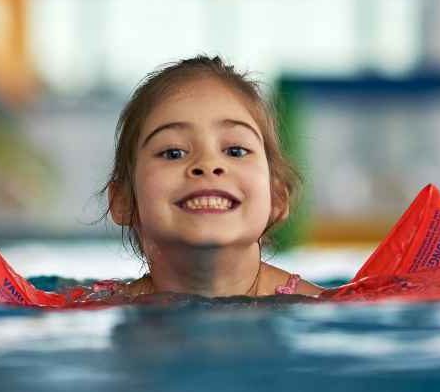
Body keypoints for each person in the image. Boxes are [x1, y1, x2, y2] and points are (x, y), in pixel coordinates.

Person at [101, 55, 321, 299]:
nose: (207, 165)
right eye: (173, 153)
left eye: (235, 151)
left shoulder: (322, 308)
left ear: (277, 198)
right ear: (123, 201)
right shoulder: (101, 308)